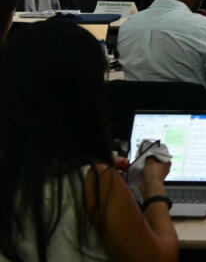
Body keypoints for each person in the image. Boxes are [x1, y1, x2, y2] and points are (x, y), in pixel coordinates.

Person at [0, 18, 180, 262]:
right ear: (85, 95)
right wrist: (154, 185)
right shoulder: (94, 183)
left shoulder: (16, 169)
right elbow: (160, 258)